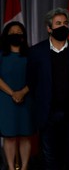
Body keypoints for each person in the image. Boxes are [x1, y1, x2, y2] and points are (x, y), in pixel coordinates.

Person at [26, 7, 69, 170]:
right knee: (49, 155)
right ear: (49, 28)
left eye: (65, 23)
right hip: (48, 113)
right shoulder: (36, 52)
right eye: (58, 23)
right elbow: (32, 82)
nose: (63, 26)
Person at [0, 21, 35, 170]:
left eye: (19, 32)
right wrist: (13, 93)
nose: (15, 34)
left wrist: (22, 92)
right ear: (6, 36)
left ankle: (25, 166)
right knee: (9, 136)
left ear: (23, 37)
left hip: (27, 99)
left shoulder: (31, 55)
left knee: (26, 135)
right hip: (6, 100)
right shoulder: (1, 55)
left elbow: (36, 77)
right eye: (12, 32)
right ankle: (10, 166)